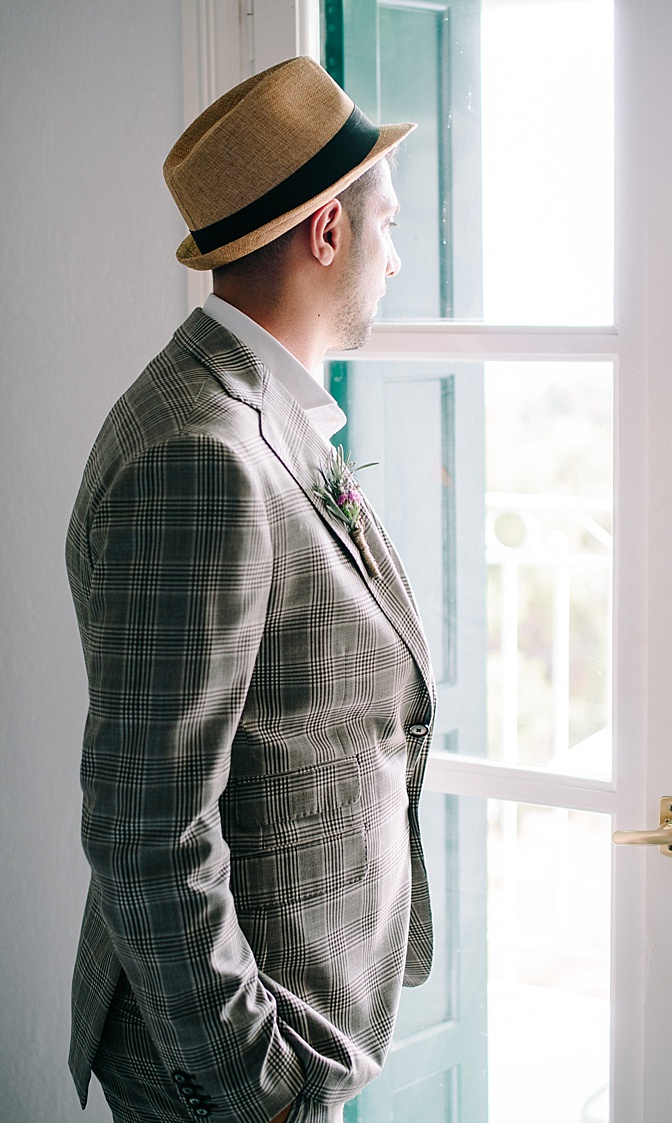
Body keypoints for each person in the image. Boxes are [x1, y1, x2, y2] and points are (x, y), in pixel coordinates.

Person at [66, 56, 434, 1123]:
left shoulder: (250, 413)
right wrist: (256, 1082)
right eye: (391, 226)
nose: (398, 261)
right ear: (328, 232)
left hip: (289, 1021)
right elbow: (147, 820)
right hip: (228, 1068)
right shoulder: (203, 450)